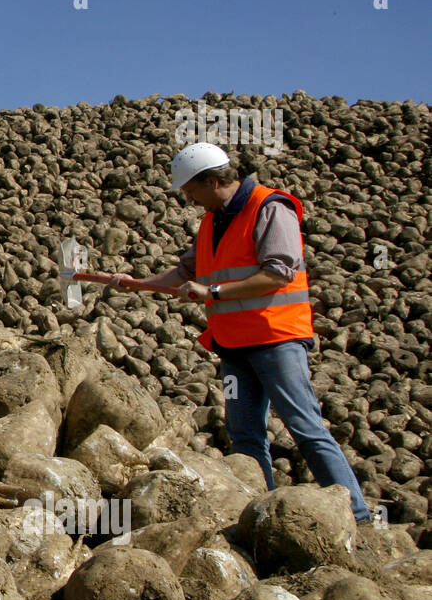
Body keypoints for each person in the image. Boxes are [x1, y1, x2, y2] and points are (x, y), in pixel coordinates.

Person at [109, 142, 372, 522]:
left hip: (275, 339)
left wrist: (213, 292)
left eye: (191, 191)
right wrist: (140, 284)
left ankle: (359, 517)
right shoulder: (212, 220)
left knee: (305, 428)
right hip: (233, 344)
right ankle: (259, 518)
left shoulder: (269, 208)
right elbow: (187, 273)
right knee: (245, 436)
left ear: (214, 181)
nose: (190, 200)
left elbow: (278, 272)